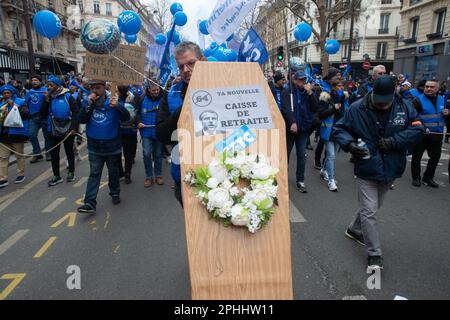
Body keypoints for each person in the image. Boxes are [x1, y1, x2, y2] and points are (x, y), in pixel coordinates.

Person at [333, 75, 424, 270]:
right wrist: (349, 144)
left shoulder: (405, 106)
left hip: (392, 166)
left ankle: (353, 229)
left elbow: (418, 129)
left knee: (373, 207)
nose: (381, 105)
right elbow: (339, 128)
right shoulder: (357, 107)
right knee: (370, 211)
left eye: (385, 102)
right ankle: (374, 254)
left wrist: (394, 141)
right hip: (367, 166)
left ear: (394, 94)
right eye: (378, 101)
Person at [156, 41, 207, 205]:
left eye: (191, 63)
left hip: (224, 172)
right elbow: (162, 134)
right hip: (186, 176)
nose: (186, 70)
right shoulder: (171, 94)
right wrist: (184, 108)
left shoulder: (224, 84)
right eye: (181, 66)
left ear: (203, 61)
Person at [77, 80, 130, 214]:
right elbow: (81, 119)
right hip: (94, 147)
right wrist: (88, 105)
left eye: (98, 88)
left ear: (104, 88)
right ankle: (89, 203)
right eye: (92, 88)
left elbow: (126, 117)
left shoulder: (113, 101)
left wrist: (118, 106)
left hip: (112, 145)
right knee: (94, 174)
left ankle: (114, 193)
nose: (95, 91)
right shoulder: (87, 102)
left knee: (113, 172)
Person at [280, 70, 318, 193]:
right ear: (295, 80)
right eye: (300, 80)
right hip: (290, 129)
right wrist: (292, 122)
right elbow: (286, 108)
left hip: (303, 129)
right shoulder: (287, 91)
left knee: (302, 155)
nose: (303, 82)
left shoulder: (309, 92)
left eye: (304, 80)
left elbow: (315, 108)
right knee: (286, 155)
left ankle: (300, 180)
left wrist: (310, 93)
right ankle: (282, 178)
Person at [411, 79, 449, 188]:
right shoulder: (417, 100)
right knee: (417, 157)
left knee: (435, 157)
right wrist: (421, 127)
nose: (428, 88)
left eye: (432, 87)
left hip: (437, 134)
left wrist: (447, 112)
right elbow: (413, 117)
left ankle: (428, 177)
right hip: (422, 134)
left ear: (437, 89)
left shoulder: (442, 99)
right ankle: (416, 178)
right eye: (427, 86)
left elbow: (443, 114)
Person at [41, 75, 79, 186]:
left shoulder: (68, 96)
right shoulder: (49, 97)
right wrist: (46, 101)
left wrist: (74, 128)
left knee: (69, 151)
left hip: (68, 128)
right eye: (47, 85)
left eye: (51, 85)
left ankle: (71, 172)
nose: (48, 87)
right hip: (53, 128)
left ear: (57, 85)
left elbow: (76, 112)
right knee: (54, 153)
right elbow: (42, 113)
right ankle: (56, 175)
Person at [317, 69, 347, 192]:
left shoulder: (341, 94)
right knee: (332, 156)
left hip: (338, 129)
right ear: (330, 78)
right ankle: (331, 180)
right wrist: (333, 109)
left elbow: (343, 112)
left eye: (340, 76)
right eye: (336, 76)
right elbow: (320, 114)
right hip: (328, 129)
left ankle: (324, 170)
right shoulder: (324, 94)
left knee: (331, 156)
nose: (339, 78)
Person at [136, 81, 165, 187]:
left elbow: (167, 114)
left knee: (158, 154)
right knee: (147, 154)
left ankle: (158, 175)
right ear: (149, 89)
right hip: (146, 133)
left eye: (158, 89)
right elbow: (137, 113)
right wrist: (139, 122)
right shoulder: (142, 98)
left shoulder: (164, 99)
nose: (156, 92)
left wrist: (163, 125)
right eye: (154, 90)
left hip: (158, 132)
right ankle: (149, 176)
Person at [0, 85, 30, 188]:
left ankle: (21, 174)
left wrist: (14, 106)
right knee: (3, 157)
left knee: (19, 155)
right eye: (4, 93)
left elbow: (26, 114)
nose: (6, 95)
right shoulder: (1, 104)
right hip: (3, 135)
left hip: (17, 133)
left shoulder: (21, 102)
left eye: (8, 93)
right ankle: (3, 178)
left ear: (12, 93)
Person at [25, 75, 51, 163]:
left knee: (47, 136)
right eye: (32, 80)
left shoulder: (46, 91)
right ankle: (37, 153)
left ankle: (48, 153)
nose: (34, 81)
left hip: (45, 117)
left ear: (40, 82)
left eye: (36, 80)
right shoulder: (29, 92)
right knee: (31, 134)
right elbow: (25, 103)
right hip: (34, 117)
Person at [118, 85, 137, 185]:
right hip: (130, 132)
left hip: (120, 132)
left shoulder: (116, 103)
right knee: (128, 155)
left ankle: (123, 173)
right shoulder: (133, 100)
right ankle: (127, 174)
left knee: (118, 154)